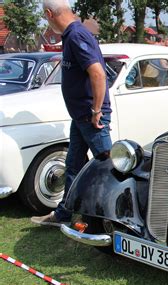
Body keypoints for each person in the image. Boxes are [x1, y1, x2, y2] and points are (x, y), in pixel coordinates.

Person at [31, 0, 112, 227]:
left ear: (49, 13)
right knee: (74, 167)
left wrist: (96, 111)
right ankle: (64, 214)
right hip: (81, 117)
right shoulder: (72, 35)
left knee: (109, 168)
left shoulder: (76, 36)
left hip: (91, 116)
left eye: (45, 17)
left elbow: (97, 74)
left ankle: (113, 221)